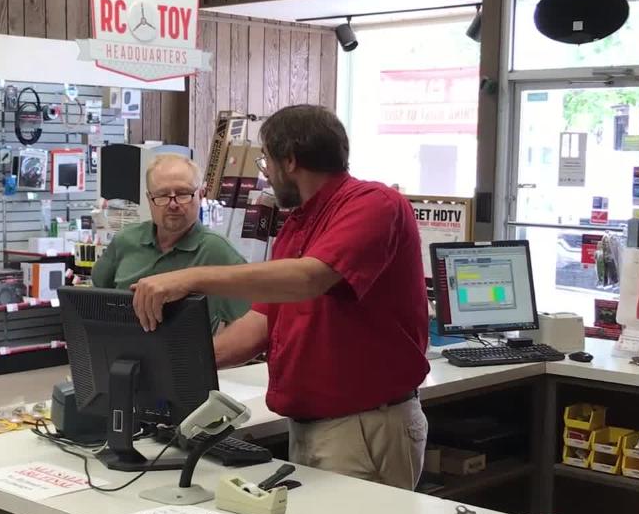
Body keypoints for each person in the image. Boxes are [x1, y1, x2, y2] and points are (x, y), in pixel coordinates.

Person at [130, 105, 431, 490]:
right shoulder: (299, 224)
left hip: (363, 425)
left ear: (289, 160)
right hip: (312, 426)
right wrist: (169, 366)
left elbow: (309, 279)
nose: (265, 172)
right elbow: (261, 322)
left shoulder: (374, 203)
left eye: (266, 160)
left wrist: (190, 279)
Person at [92, 153, 249, 332]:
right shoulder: (124, 241)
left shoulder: (217, 252)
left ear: (201, 194)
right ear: (149, 199)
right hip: (122, 356)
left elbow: (250, 322)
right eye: (162, 195)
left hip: (184, 358)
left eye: (183, 194)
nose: (173, 204)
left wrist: (213, 355)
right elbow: (95, 300)